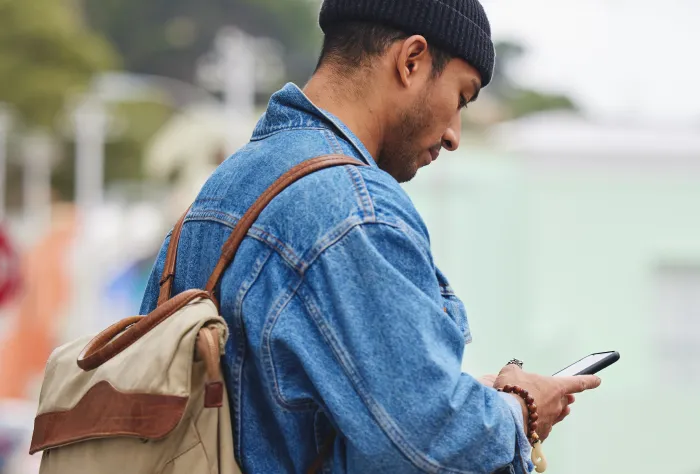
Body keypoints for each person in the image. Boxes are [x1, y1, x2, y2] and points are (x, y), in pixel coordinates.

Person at [139, 0, 601, 472]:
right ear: (411, 60)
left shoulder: (222, 190)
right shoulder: (357, 208)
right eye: (461, 98)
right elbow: (426, 440)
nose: (454, 135)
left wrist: (456, 398)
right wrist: (520, 409)